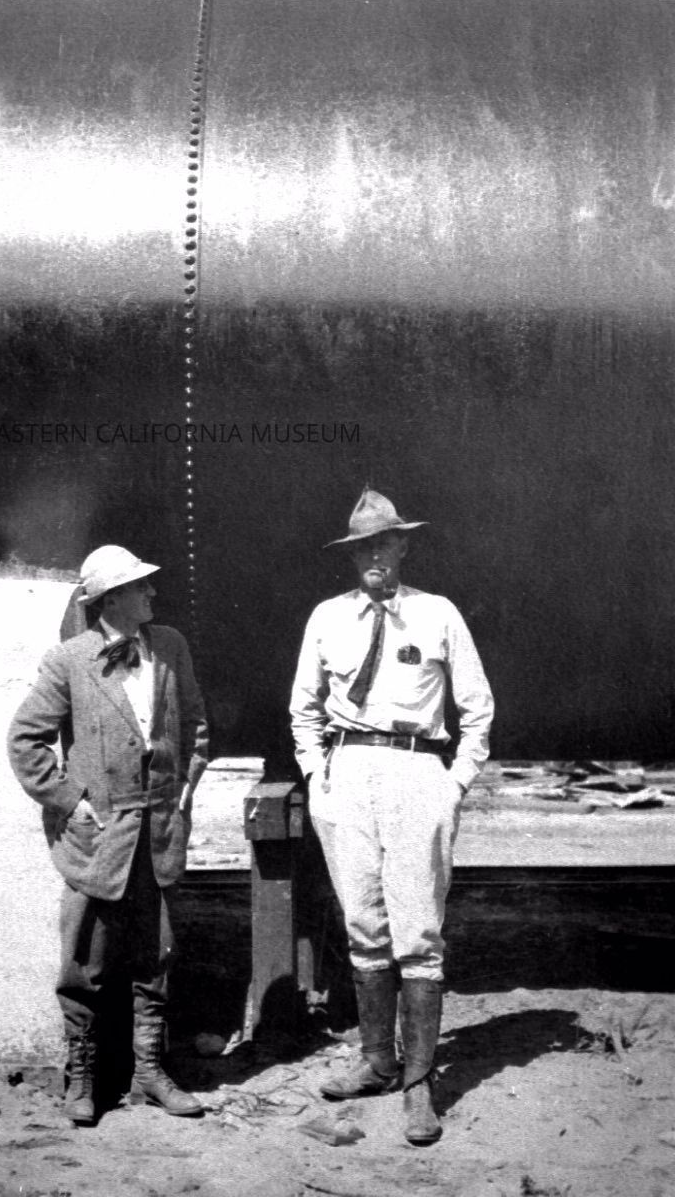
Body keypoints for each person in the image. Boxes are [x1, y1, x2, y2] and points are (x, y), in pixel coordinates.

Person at [289, 487, 494, 1146]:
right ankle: (378, 1061)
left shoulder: (437, 614)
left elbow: (478, 708)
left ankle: (418, 1084)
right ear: (350, 557)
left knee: (418, 933)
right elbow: (304, 709)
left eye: (384, 544)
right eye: (362, 549)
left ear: (403, 546)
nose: (373, 557)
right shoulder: (327, 618)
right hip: (347, 775)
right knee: (364, 924)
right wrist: (316, 777)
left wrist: (454, 784)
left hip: (416, 771)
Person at [7, 545, 209, 1126]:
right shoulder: (69, 660)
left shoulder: (170, 646)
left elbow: (195, 725)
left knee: (156, 955)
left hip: (159, 832)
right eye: (141, 586)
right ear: (111, 599)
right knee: (85, 963)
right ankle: (83, 1078)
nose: (152, 592)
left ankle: (150, 1073)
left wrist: (184, 789)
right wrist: (70, 802)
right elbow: (25, 739)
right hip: (99, 840)